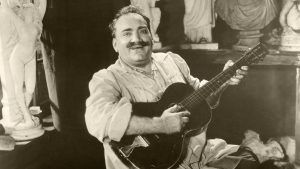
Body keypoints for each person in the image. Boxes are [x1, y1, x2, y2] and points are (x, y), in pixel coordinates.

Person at [85, 5, 263, 169]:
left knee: (250, 162)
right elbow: (98, 122)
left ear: (151, 37)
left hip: (196, 154)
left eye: (143, 31)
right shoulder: (107, 79)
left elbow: (201, 97)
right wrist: (160, 125)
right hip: (152, 164)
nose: (136, 39)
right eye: (126, 33)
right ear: (115, 44)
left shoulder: (171, 61)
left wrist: (223, 81)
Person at [0, 0, 46, 130]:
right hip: (17, 58)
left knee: (30, 89)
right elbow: (6, 9)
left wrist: (33, 9)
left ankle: (23, 111)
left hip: (30, 57)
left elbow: (40, 7)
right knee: (18, 88)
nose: (32, 14)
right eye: (29, 12)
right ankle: (25, 115)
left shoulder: (37, 25)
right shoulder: (20, 23)